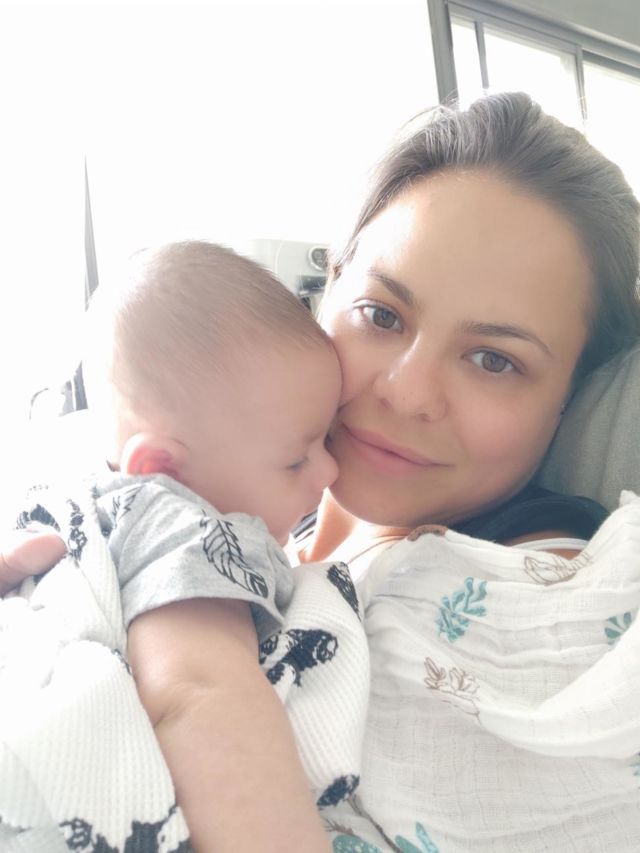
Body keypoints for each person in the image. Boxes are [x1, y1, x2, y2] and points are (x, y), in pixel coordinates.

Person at [3, 92, 640, 851]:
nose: (406, 392)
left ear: (574, 395)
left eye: (494, 360)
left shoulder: (538, 604)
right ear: (328, 288)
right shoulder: (236, 492)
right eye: (382, 315)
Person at [0, 241, 369, 853]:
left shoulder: (87, 492)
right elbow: (198, 692)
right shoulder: (185, 521)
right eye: (296, 458)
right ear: (163, 468)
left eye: (327, 440)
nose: (329, 472)